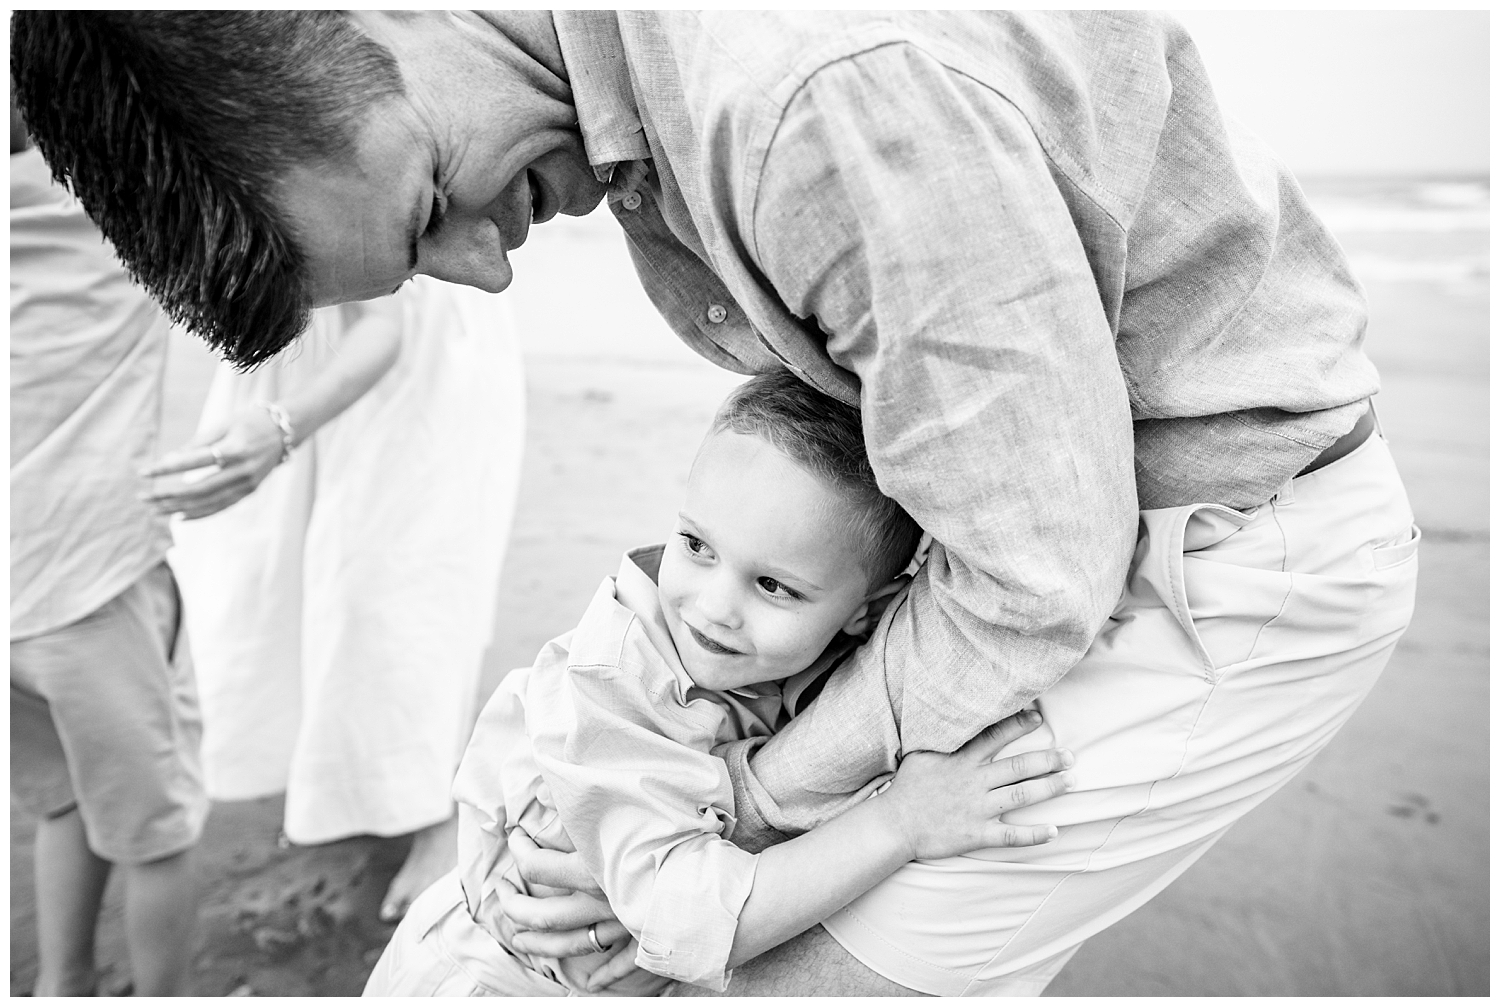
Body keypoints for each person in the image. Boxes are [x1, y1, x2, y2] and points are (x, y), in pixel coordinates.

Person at [12, 11, 1421, 996]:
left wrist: (736, 806)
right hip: (1025, 549)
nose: (487, 269)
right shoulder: (635, 83)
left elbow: (1035, 572)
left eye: (433, 192)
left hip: (1219, 559)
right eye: (428, 256)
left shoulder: (798, 98)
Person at [364, 372, 1075, 996]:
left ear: (866, 612)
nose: (711, 606)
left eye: (773, 585)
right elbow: (695, 916)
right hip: (479, 977)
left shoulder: (815, 660)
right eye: (696, 545)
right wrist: (902, 822)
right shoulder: (608, 684)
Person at [142, 276, 526, 922]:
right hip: (310, 348)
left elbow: (383, 326)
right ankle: (344, 782)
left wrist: (282, 427)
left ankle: (435, 809)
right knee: (265, 575)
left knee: (395, 591)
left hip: (412, 365)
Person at [9, 103, 206, 995]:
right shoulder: (123, 200)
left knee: (63, 799)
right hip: (94, 579)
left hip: (12, 592)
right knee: (159, 833)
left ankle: (62, 983)